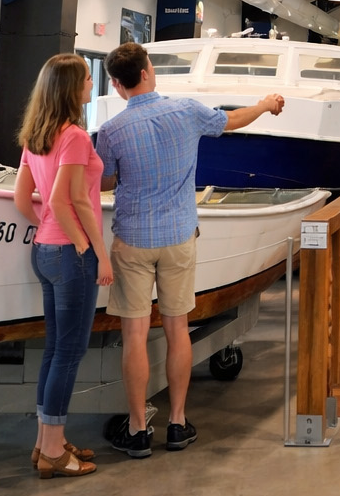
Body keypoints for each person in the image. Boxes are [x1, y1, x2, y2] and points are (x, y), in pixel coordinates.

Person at [95, 42, 284, 458]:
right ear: (147, 71)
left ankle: (139, 427)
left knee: (135, 336)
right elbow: (232, 121)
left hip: (132, 240)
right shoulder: (186, 111)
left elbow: (104, 182)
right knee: (179, 329)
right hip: (179, 237)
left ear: (117, 83)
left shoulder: (110, 132)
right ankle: (177, 423)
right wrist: (266, 104)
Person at [12, 53, 113, 479]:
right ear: (72, 88)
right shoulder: (73, 137)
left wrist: (50, 231)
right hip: (72, 256)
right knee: (69, 354)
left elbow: (24, 201)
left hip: (44, 251)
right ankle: (54, 450)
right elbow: (67, 201)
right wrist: (93, 250)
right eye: (88, 78)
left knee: (55, 351)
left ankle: (45, 442)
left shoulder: (35, 135)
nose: (93, 83)